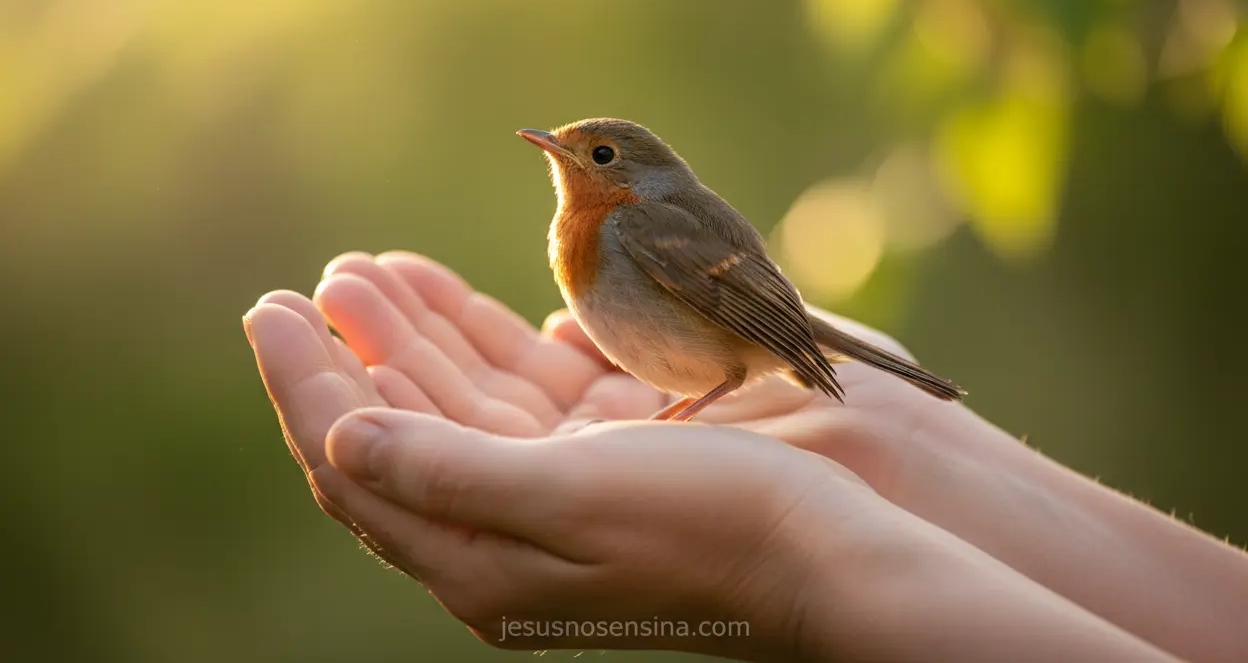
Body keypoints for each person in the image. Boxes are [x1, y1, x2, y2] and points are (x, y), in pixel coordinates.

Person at [244, 251, 1248, 661]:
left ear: (623, 175)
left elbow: (738, 308)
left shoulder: (640, 226)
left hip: (741, 338)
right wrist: (915, 451)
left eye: (592, 154)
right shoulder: (595, 231)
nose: (567, 158)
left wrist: (787, 551)